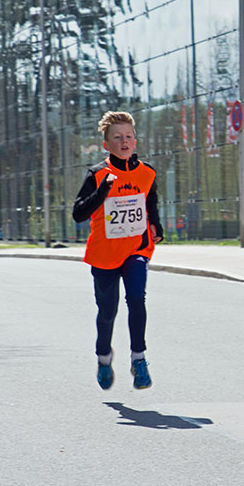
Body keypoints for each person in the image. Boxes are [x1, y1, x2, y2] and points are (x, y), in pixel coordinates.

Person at [73, 111, 164, 390]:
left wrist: (156, 224)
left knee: (136, 299)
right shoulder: (98, 174)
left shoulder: (147, 173)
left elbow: (150, 202)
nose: (124, 142)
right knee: (107, 312)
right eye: (117, 137)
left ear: (135, 141)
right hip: (104, 253)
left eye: (128, 136)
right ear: (106, 144)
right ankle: (103, 358)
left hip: (136, 248)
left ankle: (139, 359)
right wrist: (101, 192)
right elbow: (78, 213)